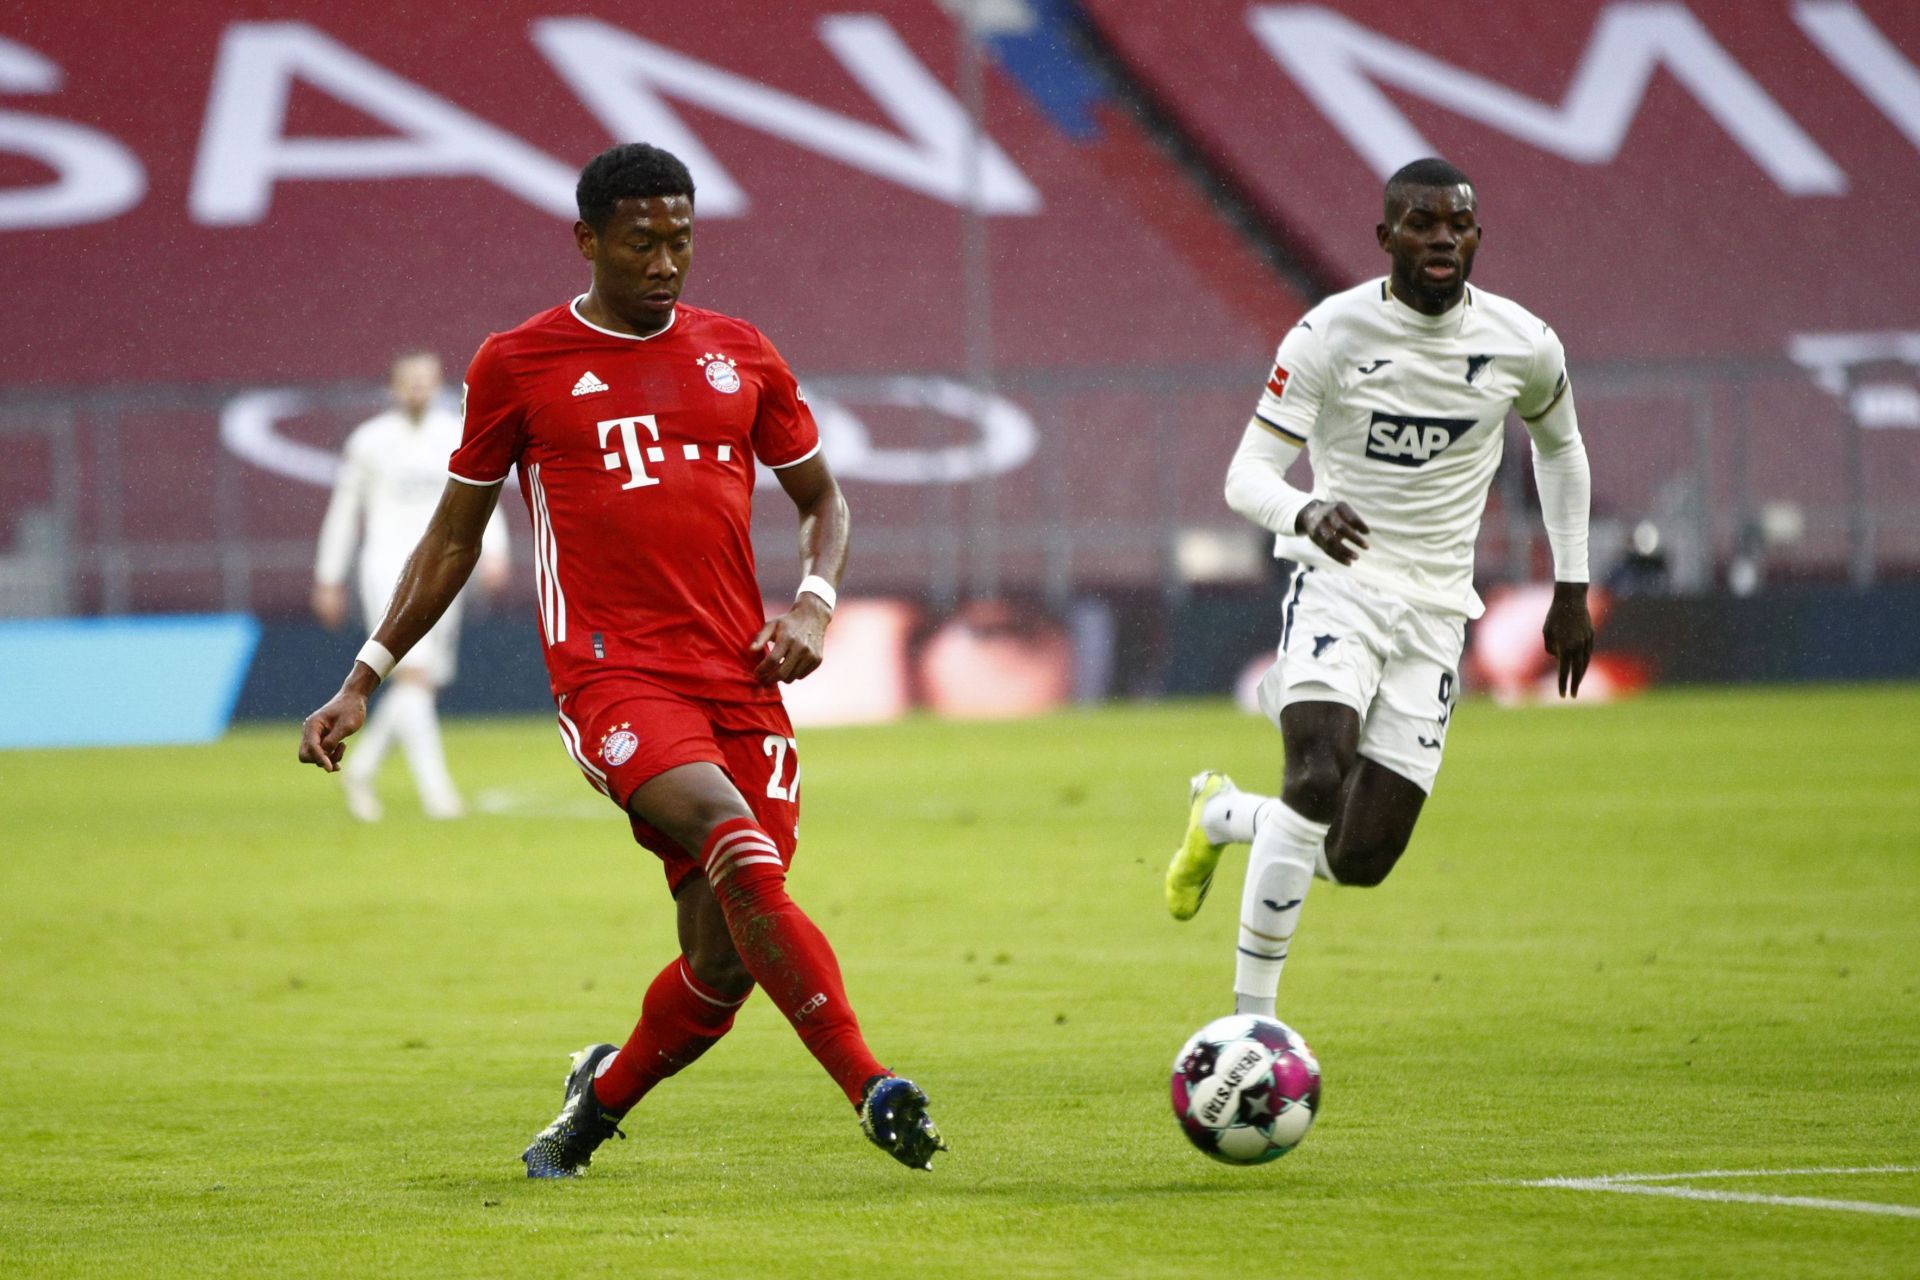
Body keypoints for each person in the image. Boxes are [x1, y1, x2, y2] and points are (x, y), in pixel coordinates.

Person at [297, 143, 945, 1176]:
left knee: (722, 964)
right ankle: (872, 1085)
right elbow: (454, 536)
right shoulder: (517, 361)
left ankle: (592, 1105)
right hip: (614, 676)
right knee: (735, 841)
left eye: (680, 241)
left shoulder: (743, 353)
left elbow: (823, 500)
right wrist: (363, 675)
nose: (664, 262)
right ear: (587, 239)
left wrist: (815, 605)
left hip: (742, 677)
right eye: (641, 242)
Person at [1165, 158, 1594, 1018]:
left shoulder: (1524, 344)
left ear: (1476, 237)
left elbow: (1561, 449)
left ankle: (1223, 818)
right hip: (1339, 589)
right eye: (1422, 223)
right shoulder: (1330, 335)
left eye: (1458, 225)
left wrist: (1572, 585)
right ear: (1385, 237)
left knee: (1361, 858)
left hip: (1437, 614)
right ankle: (1254, 1027)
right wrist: (1306, 512)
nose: (1442, 238)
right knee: (1317, 774)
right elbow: (1244, 476)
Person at [311, 351, 510, 821]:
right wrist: (328, 576)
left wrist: (495, 548)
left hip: (445, 566)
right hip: (387, 567)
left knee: (422, 684)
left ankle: (362, 769)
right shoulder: (369, 441)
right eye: (410, 381)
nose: (419, 389)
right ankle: (438, 795)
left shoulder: (453, 433)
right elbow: (344, 511)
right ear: (394, 387)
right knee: (413, 676)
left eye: (427, 380)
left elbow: (481, 492)